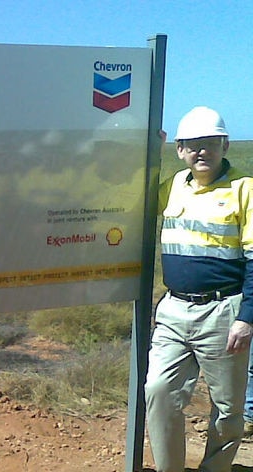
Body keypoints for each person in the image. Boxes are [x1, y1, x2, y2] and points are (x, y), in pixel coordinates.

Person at [145, 106, 253, 471]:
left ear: (224, 144)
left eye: (209, 143)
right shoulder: (175, 184)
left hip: (223, 313)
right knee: (158, 390)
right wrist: (145, 149)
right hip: (174, 309)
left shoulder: (245, 189)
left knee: (226, 409)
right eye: (192, 145)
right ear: (179, 150)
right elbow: (135, 195)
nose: (201, 151)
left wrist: (247, 317)